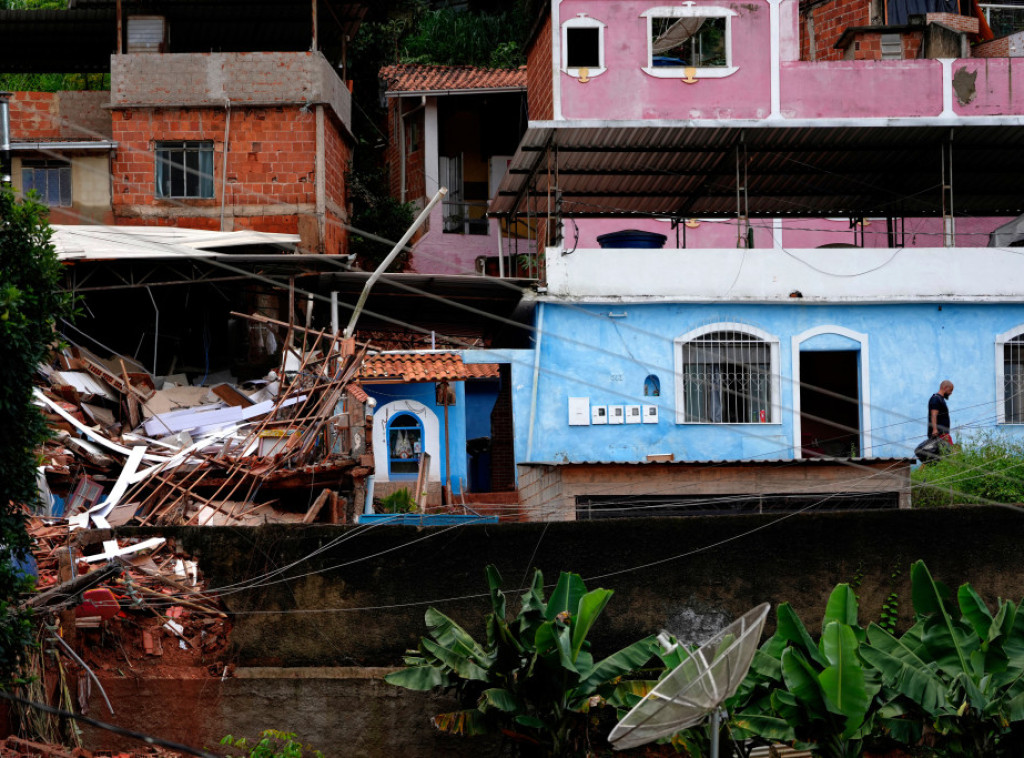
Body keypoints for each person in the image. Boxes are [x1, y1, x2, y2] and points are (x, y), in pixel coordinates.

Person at [917, 380, 954, 462]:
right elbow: (934, 414)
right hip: (939, 434)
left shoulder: (941, 399)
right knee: (949, 455)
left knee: (942, 456)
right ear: (945, 388)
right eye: (950, 390)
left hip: (943, 433)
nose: (951, 393)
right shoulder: (935, 399)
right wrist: (935, 429)